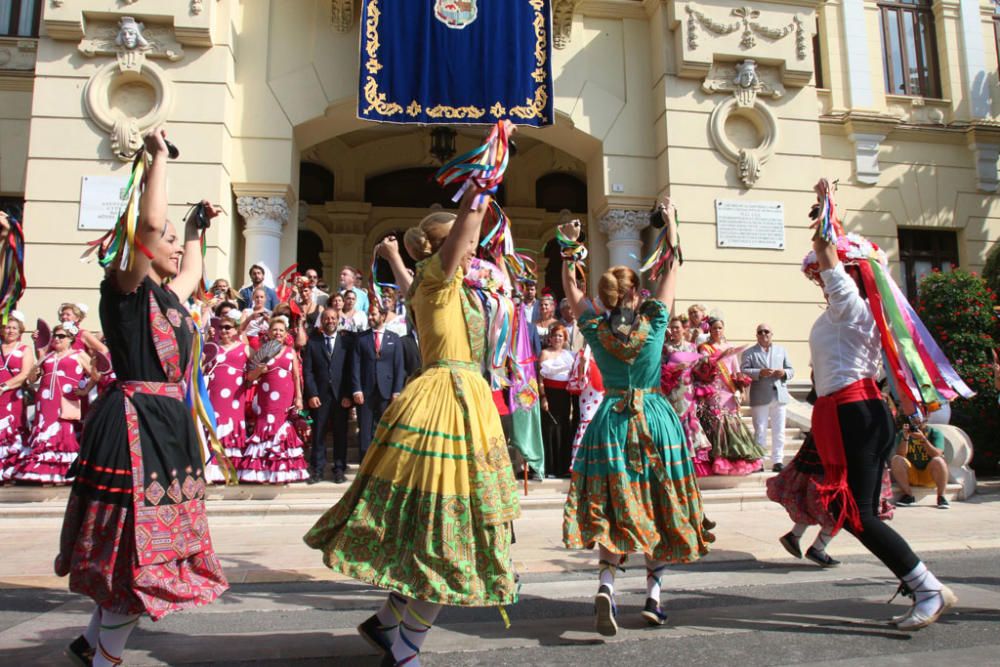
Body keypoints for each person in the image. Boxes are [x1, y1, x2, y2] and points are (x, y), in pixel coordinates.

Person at [304, 189, 519, 667]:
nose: (475, 250)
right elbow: (467, 227)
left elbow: (406, 277)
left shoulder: (430, 282)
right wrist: (481, 185)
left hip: (461, 399)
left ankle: (385, 623)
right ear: (451, 249)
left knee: (432, 525)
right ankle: (404, 649)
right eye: (469, 245)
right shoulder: (439, 279)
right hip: (448, 401)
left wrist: (391, 254)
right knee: (451, 532)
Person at [56, 129, 228, 667]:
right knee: (134, 546)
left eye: (179, 240)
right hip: (133, 426)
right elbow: (151, 227)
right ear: (142, 245)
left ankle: (92, 642)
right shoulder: (124, 288)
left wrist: (198, 227)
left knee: (145, 539)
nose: (175, 246)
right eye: (170, 240)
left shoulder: (171, 296)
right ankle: (105, 655)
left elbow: (196, 269)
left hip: (166, 425)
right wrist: (156, 161)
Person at [801, 178, 956, 631]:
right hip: (850, 412)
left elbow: (828, 253)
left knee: (858, 514)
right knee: (853, 512)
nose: (822, 279)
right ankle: (925, 584)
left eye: (830, 274)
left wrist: (827, 210)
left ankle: (925, 587)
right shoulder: (841, 309)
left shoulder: (852, 305)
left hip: (857, 413)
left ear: (853, 274)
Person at [561, 203, 710, 635]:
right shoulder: (657, 320)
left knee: (612, 501)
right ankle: (653, 597)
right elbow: (671, 269)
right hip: (655, 418)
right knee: (659, 502)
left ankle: (607, 583)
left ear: (606, 296)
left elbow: (571, 288)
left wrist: (571, 249)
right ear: (635, 294)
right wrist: (672, 226)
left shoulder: (594, 326)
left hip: (610, 418)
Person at [12, 322, 92, 484]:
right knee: (43, 432)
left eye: (61, 336)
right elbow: (32, 379)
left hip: (65, 399)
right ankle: (42, 474)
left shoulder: (78, 354)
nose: (56, 339)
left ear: (70, 339)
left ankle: (64, 473)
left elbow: (96, 374)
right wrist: (35, 370)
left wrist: (84, 390)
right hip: (45, 400)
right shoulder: (47, 356)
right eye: (55, 336)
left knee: (62, 432)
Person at [238, 316, 310, 484]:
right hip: (266, 397)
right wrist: (259, 371)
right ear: (269, 333)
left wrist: (299, 397)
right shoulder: (262, 351)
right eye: (274, 330)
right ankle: (263, 472)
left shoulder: (291, 352)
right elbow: (250, 377)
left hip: (285, 397)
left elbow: (296, 377)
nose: (277, 333)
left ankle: (281, 473)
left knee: (282, 428)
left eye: (281, 330)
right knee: (265, 427)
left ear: (286, 334)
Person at [694, 318, 765, 475]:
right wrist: (720, 356)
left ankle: (737, 459)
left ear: (723, 329)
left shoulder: (730, 348)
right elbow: (703, 367)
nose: (717, 331)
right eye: (714, 328)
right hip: (713, 391)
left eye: (720, 328)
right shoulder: (705, 348)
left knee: (733, 424)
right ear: (709, 330)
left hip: (729, 391)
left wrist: (740, 389)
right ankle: (716, 460)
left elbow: (736, 371)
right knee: (716, 424)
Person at [302, 306, 354, 484]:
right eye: (326, 318)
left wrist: (348, 394)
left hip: (341, 397)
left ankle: (339, 469)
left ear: (338, 320)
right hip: (320, 396)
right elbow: (307, 371)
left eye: (333, 318)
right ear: (321, 321)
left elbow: (350, 371)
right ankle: (317, 470)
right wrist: (312, 393)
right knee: (318, 434)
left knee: (340, 434)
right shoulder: (313, 342)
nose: (330, 321)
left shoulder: (346, 342)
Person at [661, 316, 712, 477]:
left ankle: (691, 459)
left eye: (677, 327)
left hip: (688, 390)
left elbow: (698, 369)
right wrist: (675, 368)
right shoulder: (666, 348)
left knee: (690, 422)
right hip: (671, 390)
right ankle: (675, 457)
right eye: (672, 327)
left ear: (684, 330)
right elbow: (660, 369)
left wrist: (706, 364)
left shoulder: (691, 347)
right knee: (674, 422)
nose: (675, 330)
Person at [352, 306, 404, 462]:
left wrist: (396, 391)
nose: (370, 317)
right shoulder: (361, 338)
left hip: (386, 392)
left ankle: (382, 463)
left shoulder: (394, 338)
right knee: (365, 430)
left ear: (383, 316)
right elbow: (355, 366)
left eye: (373, 314)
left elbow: (399, 366)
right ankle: (365, 463)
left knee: (385, 429)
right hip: (366, 392)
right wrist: (356, 390)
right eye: (369, 314)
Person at [741, 323, 795, 472]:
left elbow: (791, 370)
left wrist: (784, 373)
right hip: (760, 395)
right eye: (760, 332)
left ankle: (778, 460)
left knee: (779, 430)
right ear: (756, 335)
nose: (764, 334)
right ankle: (759, 461)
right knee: (760, 429)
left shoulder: (781, 350)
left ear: (772, 334)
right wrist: (759, 372)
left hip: (779, 394)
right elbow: (743, 371)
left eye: (767, 331)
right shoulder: (749, 353)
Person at [204, 312, 250, 482]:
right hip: (215, 395)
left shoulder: (244, 348)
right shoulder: (213, 347)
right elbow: (201, 366)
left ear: (236, 329)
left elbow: (258, 367)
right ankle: (213, 472)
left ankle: (232, 470)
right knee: (214, 426)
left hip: (235, 397)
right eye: (220, 327)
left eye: (227, 327)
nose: (223, 331)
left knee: (233, 426)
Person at [0, 312, 34, 481]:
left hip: (12, 394)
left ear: (20, 331)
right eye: (7, 327)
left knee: (11, 429)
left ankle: (10, 470)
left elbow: (25, 373)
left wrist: (4, 386)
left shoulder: (24, 349)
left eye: (14, 328)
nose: (10, 331)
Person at [539, 323, 575, 478]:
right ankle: (550, 468)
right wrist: (543, 397)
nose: (557, 338)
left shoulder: (569, 355)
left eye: (560, 336)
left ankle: (562, 467)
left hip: (564, 395)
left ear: (565, 338)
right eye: (554, 335)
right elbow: (540, 379)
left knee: (563, 428)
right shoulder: (544, 353)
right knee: (549, 429)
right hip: (549, 393)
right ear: (550, 338)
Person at [891, 423, 950, 509]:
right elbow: (900, 454)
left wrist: (923, 438)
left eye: (917, 416)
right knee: (897, 459)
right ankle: (908, 496)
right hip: (912, 475)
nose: (915, 420)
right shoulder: (902, 433)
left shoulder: (935, 432)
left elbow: (937, 454)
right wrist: (906, 437)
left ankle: (941, 497)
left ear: (926, 416)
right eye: (912, 417)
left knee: (939, 460)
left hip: (929, 476)